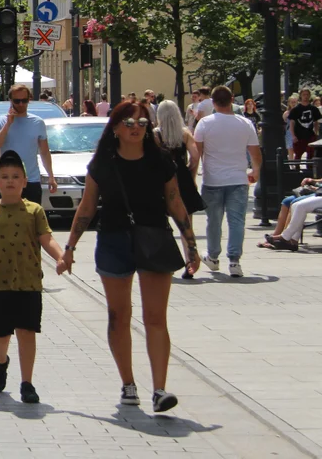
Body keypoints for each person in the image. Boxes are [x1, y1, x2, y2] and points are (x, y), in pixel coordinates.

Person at [59, 101, 200, 413]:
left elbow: (176, 203)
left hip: (154, 237)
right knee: (119, 316)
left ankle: (160, 389)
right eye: (129, 122)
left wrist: (190, 243)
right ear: (116, 127)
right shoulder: (103, 162)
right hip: (113, 239)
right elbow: (87, 206)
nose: (136, 127)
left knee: (155, 317)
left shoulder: (160, 160)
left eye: (142, 123)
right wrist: (68, 249)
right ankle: (128, 384)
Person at [0, 150, 64, 404]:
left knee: (27, 331)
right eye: (5, 176)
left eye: (16, 176)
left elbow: (47, 239)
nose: (10, 180)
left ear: (24, 181)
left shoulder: (34, 211)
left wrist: (61, 257)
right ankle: (1, 361)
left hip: (29, 283)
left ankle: (27, 383)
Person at [194, 86, 262, 278]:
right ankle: (234, 261)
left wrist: (192, 177)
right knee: (237, 221)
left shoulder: (205, 124)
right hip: (238, 179)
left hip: (212, 180)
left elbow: (196, 154)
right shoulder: (245, 123)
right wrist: (255, 171)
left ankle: (213, 257)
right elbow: (255, 153)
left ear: (212, 102)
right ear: (232, 100)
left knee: (213, 221)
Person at [154, 100, 204, 279]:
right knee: (185, 223)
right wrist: (191, 173)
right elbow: (196, 156)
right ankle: (190, 261)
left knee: (161, 223)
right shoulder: (184, 133)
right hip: (182, 177)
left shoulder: (156, 135)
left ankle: (164, 262)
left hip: (162, 179)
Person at [0, 84, 57, 204]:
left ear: (28, 100)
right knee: (8, 220)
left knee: (31, 219)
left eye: (24, 101)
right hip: (8, 181)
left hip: (31, 180)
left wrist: (51, 176)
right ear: (11, 100)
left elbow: (44, 152)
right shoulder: (0, 121)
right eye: (17, 101)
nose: (21, 104)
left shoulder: (37, 122)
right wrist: (8, 124)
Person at [288, 88, 322, 160]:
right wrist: (293, 136)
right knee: (298, 155)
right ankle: (297, 169)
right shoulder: (295, 109)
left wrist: (316, 133)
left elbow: (316, 122)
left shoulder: (313, 109)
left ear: (309, 96)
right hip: (299, 136)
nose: (305, 96)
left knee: (311, 155)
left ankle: (309, 170)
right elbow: (292, 123)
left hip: (310, 135)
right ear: (300, 96)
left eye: (307, 95)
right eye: (304, 95)